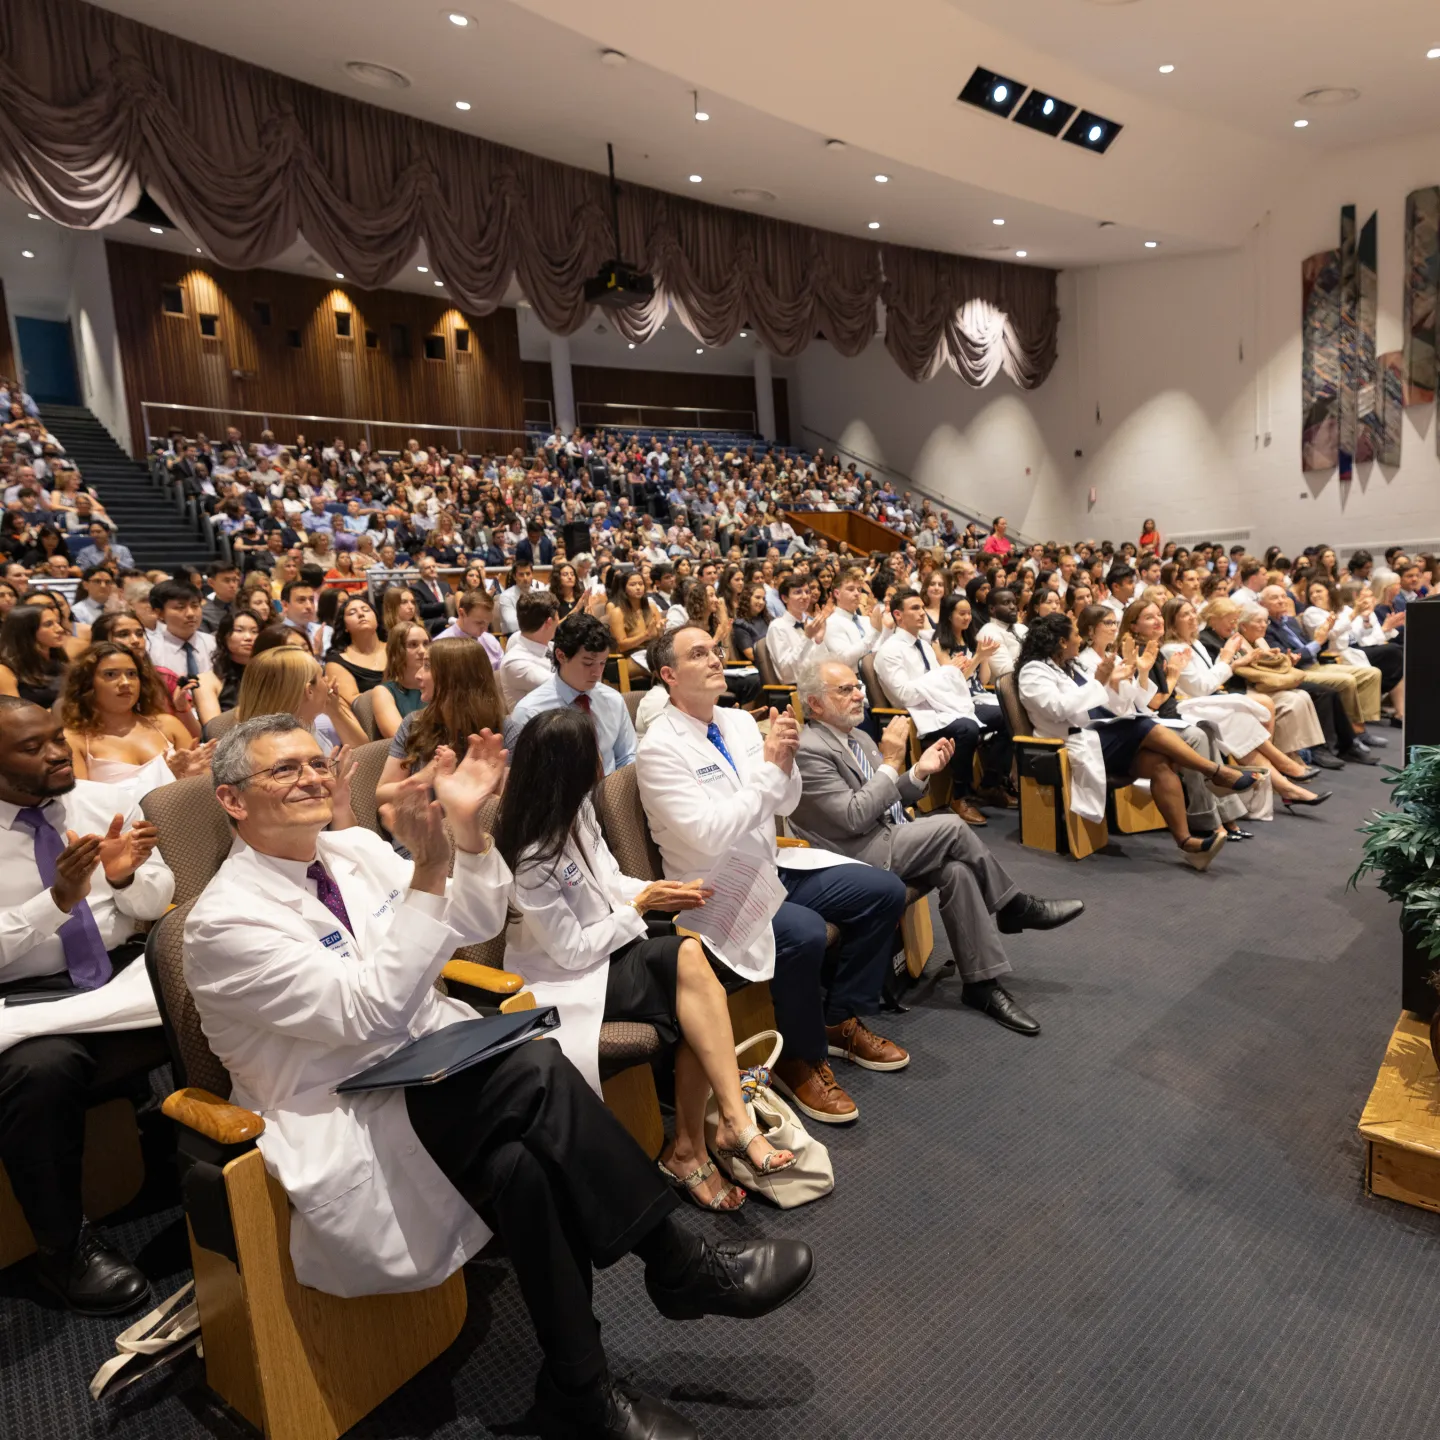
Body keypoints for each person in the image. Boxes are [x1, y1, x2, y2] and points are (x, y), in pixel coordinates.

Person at [188, 713, 812, 1438]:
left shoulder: (351, 850)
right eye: (284, 769)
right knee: (531, 1066)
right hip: (344, 1109)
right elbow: (368, 1015)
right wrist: (428, 870)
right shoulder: (224, 922)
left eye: (317, 763)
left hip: (434, 1072)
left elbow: (476, 919)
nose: (311, 778)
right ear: (231, 799)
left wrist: (466, 835)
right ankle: (679, 1264)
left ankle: (580, 1389)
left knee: (525, 1162)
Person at [498, 707, 796, 1211]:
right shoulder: (530, 857)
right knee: (690, 967)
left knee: (696, 971)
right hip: (567, 981)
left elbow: (611, 881)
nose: (602, 762)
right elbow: (571, 950)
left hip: (609, 948)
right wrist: (641, 907)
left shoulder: (578, 812)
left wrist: (661, 890)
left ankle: (700, 1142)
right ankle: (727, 1127)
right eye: (591, 754)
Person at [637, 624, 909, 1126]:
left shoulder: (740, 722)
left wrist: (786, 761)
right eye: (699, 654)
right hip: (712, 889)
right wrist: (770, 771)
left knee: (884, 891)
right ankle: (798, 1059)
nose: (716, 659)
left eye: (716, 650)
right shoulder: (659, 748)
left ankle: (837, 1018)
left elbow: (784, 802)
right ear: (669, 675)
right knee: (803, 931)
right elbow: (708, 835)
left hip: (770, 865)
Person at [790, 657, 1083, 1036]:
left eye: (857, 686)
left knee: (957, 872)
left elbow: (884, 795)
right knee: (952, 827)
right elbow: (853, 816)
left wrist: (918, 772)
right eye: (844, 690)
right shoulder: (809, 749)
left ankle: (981, 984)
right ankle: (1014, 906)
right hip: (852, 857)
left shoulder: (858, 738)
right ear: (815, 704)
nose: (858, 694)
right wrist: (892, 761)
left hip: (887, 835)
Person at [0, 696, 175, 1314]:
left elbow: (153, 902)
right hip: (24, 995)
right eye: (33, 747)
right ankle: (62, 1249)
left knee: (214, 984)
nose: (58, 754)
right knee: (39, 1072)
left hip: (116, 972)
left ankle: (236, 1158)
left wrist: (125, 877)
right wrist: (58, 899)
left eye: (56, 738)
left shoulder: (102, 802)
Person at [1016, 614, 1257, 870]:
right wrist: (1099, 681)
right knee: (1140, 726)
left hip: (1093, 736)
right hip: (1067, 743)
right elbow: (1057, 708)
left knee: (1159, 763)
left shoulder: (1068, 667)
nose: (1079, 639)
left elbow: (1106, 703)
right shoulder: (1033, 671)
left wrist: (1120, 680)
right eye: (1075, 634)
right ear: (1062, 642)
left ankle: (1187, 842)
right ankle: (1215, 772)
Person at [875, 588, 988, 826]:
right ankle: (960, 797)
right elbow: (904, 695)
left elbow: (939, 682)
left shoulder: (924, 645)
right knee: (967, 728)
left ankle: (992, 785)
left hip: (940, 705)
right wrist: (944, 674)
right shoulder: (889, 651)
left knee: (1000, 716)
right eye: (914, 608)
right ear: (898, 615)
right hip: (917, 715)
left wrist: (950, 673)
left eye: (922, 608)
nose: (921, 613)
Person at [60, 642, 207, 796]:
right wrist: (166, 777)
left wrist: (194, 775)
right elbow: (84, 804)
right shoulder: (74, 740)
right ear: (87, 684)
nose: (125, 682)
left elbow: (206, 783)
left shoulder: (168, 725)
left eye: (131, 674)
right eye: (111, 674)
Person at [376, 637, 506, 810]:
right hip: (423, 824)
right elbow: (381, 796)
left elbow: (506, 807)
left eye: (427, 666)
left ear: (455, 676)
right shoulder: (414, 723)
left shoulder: (505, 730)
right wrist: (424, 777)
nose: (418, 675)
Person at [506, 613, 637, 775]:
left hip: (612, 786)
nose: (597, 673)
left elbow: (628, 756)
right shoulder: (530, 712)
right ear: (561, 656)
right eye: (588, 663)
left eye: (602, 663)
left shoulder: (613, 699)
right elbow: (524, 778)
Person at [1259, 585, 1383, 751]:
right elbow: (1285, 658)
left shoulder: (1290, 621)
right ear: (1262, 604)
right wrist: (1318, 641)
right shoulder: (1265, 627)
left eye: (1283, 596)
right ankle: (1352, 734)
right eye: (1275, 598)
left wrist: (1323, 636)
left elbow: (1311, 646)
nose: (1281, 600)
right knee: (1347, 681)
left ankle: (1359, 727)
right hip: (1297, 671)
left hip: (1315, 664)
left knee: (1372, 673)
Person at [238, 647, 369, 751]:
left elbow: (363, 754)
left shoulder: (306, 725)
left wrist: (335, 710)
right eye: (322, 676)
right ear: (309, 691)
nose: (327, 681)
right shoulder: (288, 748)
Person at [499, 589, 560, 710]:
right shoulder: (515, 662)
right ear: (548, 622)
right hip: (535, 720)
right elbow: (564, 687)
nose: (559, 623)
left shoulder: (550, 646)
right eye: (558, 618)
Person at [145, 580, 216, 682]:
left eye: (195, 606)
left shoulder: (214, 644)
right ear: (159, 613)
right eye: (180, 607)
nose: (190, 613)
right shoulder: (150, 649)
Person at [0, 602, 70, 706]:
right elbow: (14, 714)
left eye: (58, 622)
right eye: (48, 624)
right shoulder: (5, 671)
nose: (60, 629)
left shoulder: (61, 663)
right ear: (26, 631)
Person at [196, 610, 260, 724]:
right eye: (239, 630)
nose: (249, 637)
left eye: (254, 631)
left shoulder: (270, 676)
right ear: (224, 636)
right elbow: (213, 729)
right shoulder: (206, 680)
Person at [370, 621, 429, 739]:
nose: (423, 650)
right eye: (413, 644)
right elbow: (400, 739)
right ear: (396, 651)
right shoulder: (383, 692)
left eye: (426, 644)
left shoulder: (439, 685)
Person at [324, 595, 386, 700]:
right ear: (345, 626)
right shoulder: (336, 662)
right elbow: (354, 702)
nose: (361, 614)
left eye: (366, 610)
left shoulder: (396, 648)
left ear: (377, 618)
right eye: (352, 613)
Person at [434, 588, 505, 671]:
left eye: (488, 623)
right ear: (461, 613)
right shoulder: (439, 646)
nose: (485, 629)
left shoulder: (491, 641)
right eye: (479, 623)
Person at [407, 555, 451, 634]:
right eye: (428, 567)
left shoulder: (445, 585)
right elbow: (421, 609)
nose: (432, 569)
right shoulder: (415, 588)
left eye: (434, 566)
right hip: (431, 624)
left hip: (449, 621)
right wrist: (446, 604)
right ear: (421, 572)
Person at [496, 560, 535, 636]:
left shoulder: (538, 593)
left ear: (532, 575)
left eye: (528, 574)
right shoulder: (506, 596)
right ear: (514, 577)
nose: (525, 578)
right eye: (521, 575)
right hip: (514, 636)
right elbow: (512, 626)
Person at [201, 562, 241, 634]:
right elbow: (204, 639)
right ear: (211, 583)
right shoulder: (203, 614)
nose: (232, 585)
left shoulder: (245, 607)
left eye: (234, 580)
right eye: (227, 581)